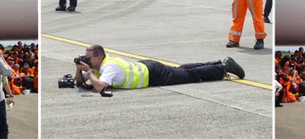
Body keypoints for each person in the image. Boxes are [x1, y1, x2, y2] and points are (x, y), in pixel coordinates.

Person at [74, 44, 245, 92]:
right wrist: (78, 68)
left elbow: (100, 87)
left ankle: (223, 67)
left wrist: (88, 71)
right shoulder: (99, 64)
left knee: (190, 75)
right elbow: (80, 82)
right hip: (148, 69)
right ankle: (216, 63)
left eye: (88, 58)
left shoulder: (108, 67)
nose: (86, 60)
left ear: (97, 57)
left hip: (153, 74)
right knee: (182, 70)